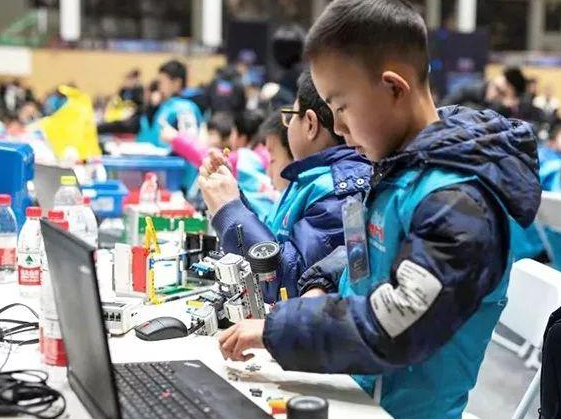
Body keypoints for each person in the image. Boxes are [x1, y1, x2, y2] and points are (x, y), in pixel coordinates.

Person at [216, 2, 541, 419]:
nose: (339, 128)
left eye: (342, 107)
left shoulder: (459, 201)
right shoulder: (401, 166)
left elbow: (397, 325)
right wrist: (322, 284)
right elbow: (368, 249)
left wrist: (279, 329)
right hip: (356, 394)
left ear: (393, 88)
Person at [198, 72, 372, 302]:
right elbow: (273, 241)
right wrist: (233, 198)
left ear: (310, 124)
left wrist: (230, 210)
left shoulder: (340, 192)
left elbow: (288, 282)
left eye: (291, 117)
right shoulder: (310, 180)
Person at [137, 60, 203, 149]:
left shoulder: (185, 108)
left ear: (177, 83)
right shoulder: (164, 105)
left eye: (163, 81)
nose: (160, 86)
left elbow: (190, 141)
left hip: (174, 157)